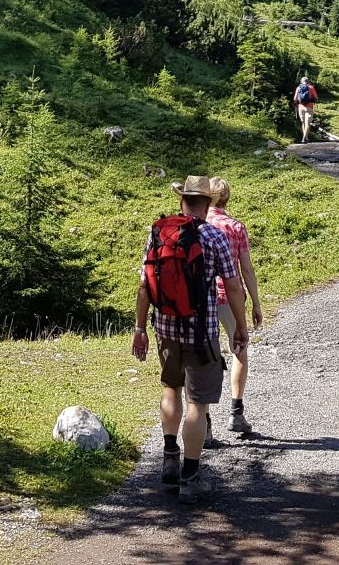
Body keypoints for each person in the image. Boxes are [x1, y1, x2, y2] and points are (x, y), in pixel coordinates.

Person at [131, 175, 247, 504]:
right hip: (202, 331)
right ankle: (191, 476)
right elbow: (233, 285)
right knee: (197, 404)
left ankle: (169, 458)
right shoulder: (213, 235)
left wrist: (140, 329)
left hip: (165, 329)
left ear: (182, 201)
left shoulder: (159, 233)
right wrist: (240, 325)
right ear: (207, 204)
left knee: (171, 390)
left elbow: (144, 286)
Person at [206, 178, 263, 435]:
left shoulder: (197, 225)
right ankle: (235, 413)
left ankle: (204, 425)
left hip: (202, 299)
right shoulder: (235, 227)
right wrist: (256, 304)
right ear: (226, 198)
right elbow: (247, 270)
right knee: (239, 348)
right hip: (231, 297)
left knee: (203, 357)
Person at [293, 76, 318, 143]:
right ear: (308, 81)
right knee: (308, 123)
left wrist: (296, 104)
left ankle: (306, 137)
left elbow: (295, 99)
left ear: (301, 81)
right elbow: (316, 97)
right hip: (309, 107)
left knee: (303, 123)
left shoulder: (298, 88)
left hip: (300, 107)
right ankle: (304, 138)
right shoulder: (311, 87)